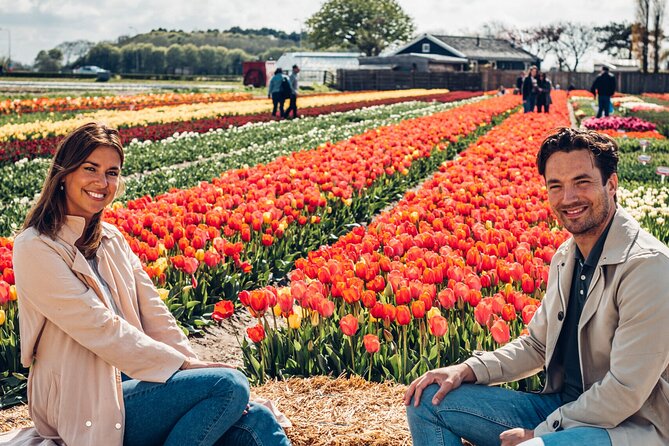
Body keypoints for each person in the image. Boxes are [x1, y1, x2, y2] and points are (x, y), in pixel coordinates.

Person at [11, 122, 291, 446]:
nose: (102, 182)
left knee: (257, 419)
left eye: (112, 172)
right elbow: (99, 328)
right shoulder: (36, 246)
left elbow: (157, 316)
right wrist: (186, 367)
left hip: (139, 383)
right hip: (86, 399)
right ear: (64, 173)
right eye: (91, 168)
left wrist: (192, 369)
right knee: (230, 387)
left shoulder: (112, 239)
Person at [404, 127, 669, 446]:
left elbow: (625, 392)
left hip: (628, 427)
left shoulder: (648, 266)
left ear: (611, 184)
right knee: (427, 399)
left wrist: (540, 433)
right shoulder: (566, 256)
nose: (568, 198)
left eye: (581, 182)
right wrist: (466, 369)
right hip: (564, 408)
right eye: (556, 186)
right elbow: (538, 346)